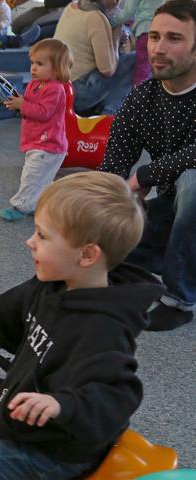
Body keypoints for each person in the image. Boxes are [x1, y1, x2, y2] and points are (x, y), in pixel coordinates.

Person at [0, 171, 165, 480]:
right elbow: (0, 312)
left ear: (87, 254)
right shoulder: (52, 285)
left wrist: (61, 405)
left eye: (42, 235)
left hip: (57, 450)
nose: (29, 241)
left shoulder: (104, 329)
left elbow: (116, 396)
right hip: (33, 411)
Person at [100, 0, 196, 331]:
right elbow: (113, 165)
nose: (158, 48)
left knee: (193, 182)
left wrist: (142, 177)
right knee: (100, 258)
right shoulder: (143, 98)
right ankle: (172, 254)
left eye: (174, 38)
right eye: (154, 36)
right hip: (173, 207)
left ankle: (180, 297)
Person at [0, 39, 71, 221]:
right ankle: (36, 204)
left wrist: (23, 105)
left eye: (40, 64)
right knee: (42, 179)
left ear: (56, 69)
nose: (33, 68)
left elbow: (43, 112)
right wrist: (18, 103)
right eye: (32, 63)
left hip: (48, 144)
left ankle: (20, 206)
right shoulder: (35, 83)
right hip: (37, 141)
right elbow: (30, 104)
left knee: (31, 176)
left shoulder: (55, 89)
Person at [54, 0, 136, 114]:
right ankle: (107, 113)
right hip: (77, 93)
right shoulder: (95, 17)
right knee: (137, 59)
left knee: (122, 60)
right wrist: (117, 32)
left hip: (58, 89)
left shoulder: (72, 6)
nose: (117, 2)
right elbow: (108, 69)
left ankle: (101, 110)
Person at [110, 0, 166, 85]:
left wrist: (110, 22)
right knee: (160, 70)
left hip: (146, 30)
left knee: (142, 70)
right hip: (164, 33)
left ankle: (139, 97)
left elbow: (128, 12)